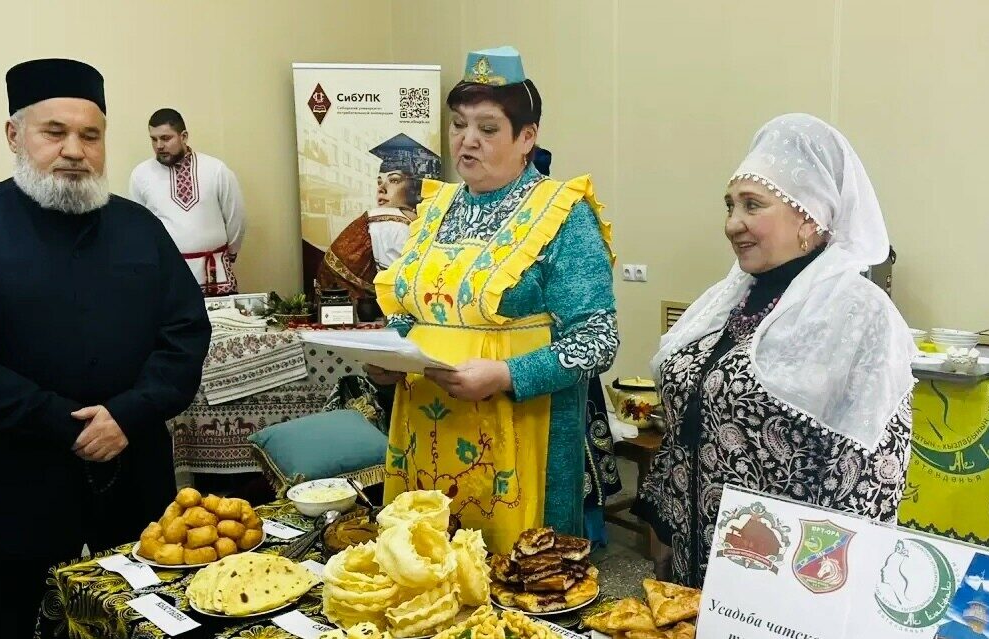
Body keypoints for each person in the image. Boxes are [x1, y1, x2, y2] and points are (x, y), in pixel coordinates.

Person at [0, 58, 211, 639]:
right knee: (23, 621)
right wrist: (58, 421)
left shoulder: (139, 227)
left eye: (90, 136)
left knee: (149, 616)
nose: (74, 150)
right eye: (55, 132)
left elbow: (185, 332)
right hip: (21, 475)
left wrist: (127, 413)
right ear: (14, 135)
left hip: (134, 466)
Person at [634, 113, 916, 586]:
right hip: (692, 563)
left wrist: (820, 583)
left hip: (780, 580)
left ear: (809, 214)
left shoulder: (859, 315)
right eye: (729, 205)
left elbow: (873, 473)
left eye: (753, 205)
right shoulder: (728, 300)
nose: (732, 224)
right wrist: (667, 528)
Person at [369, 46, 619, 553]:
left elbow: (598, 339)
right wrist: (388, 356)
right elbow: (412, 313)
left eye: (487, 128)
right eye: (459, 125)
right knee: (428, 568)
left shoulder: (562, 214)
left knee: (518, 579)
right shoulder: (435, 208)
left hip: (522, 436)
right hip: (427, 435)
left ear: (527, 137)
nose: (467, 140)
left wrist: (506, 375)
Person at [130, 108, 247, 296]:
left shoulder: (215, 170)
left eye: (166, 138)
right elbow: (140, 228)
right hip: (168, 276)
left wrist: (228, 255)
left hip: (214, 274)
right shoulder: (141, 175)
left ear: (183, 136)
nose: (159, 145)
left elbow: (236, 218)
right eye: (154, 139)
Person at [316, 134, 432, 301]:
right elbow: (399, 284)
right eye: (379, 182)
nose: (381, 188)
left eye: (394, 180)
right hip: (346, 302)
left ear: (415, 186)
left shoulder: (404, 220)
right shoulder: (391, 222)